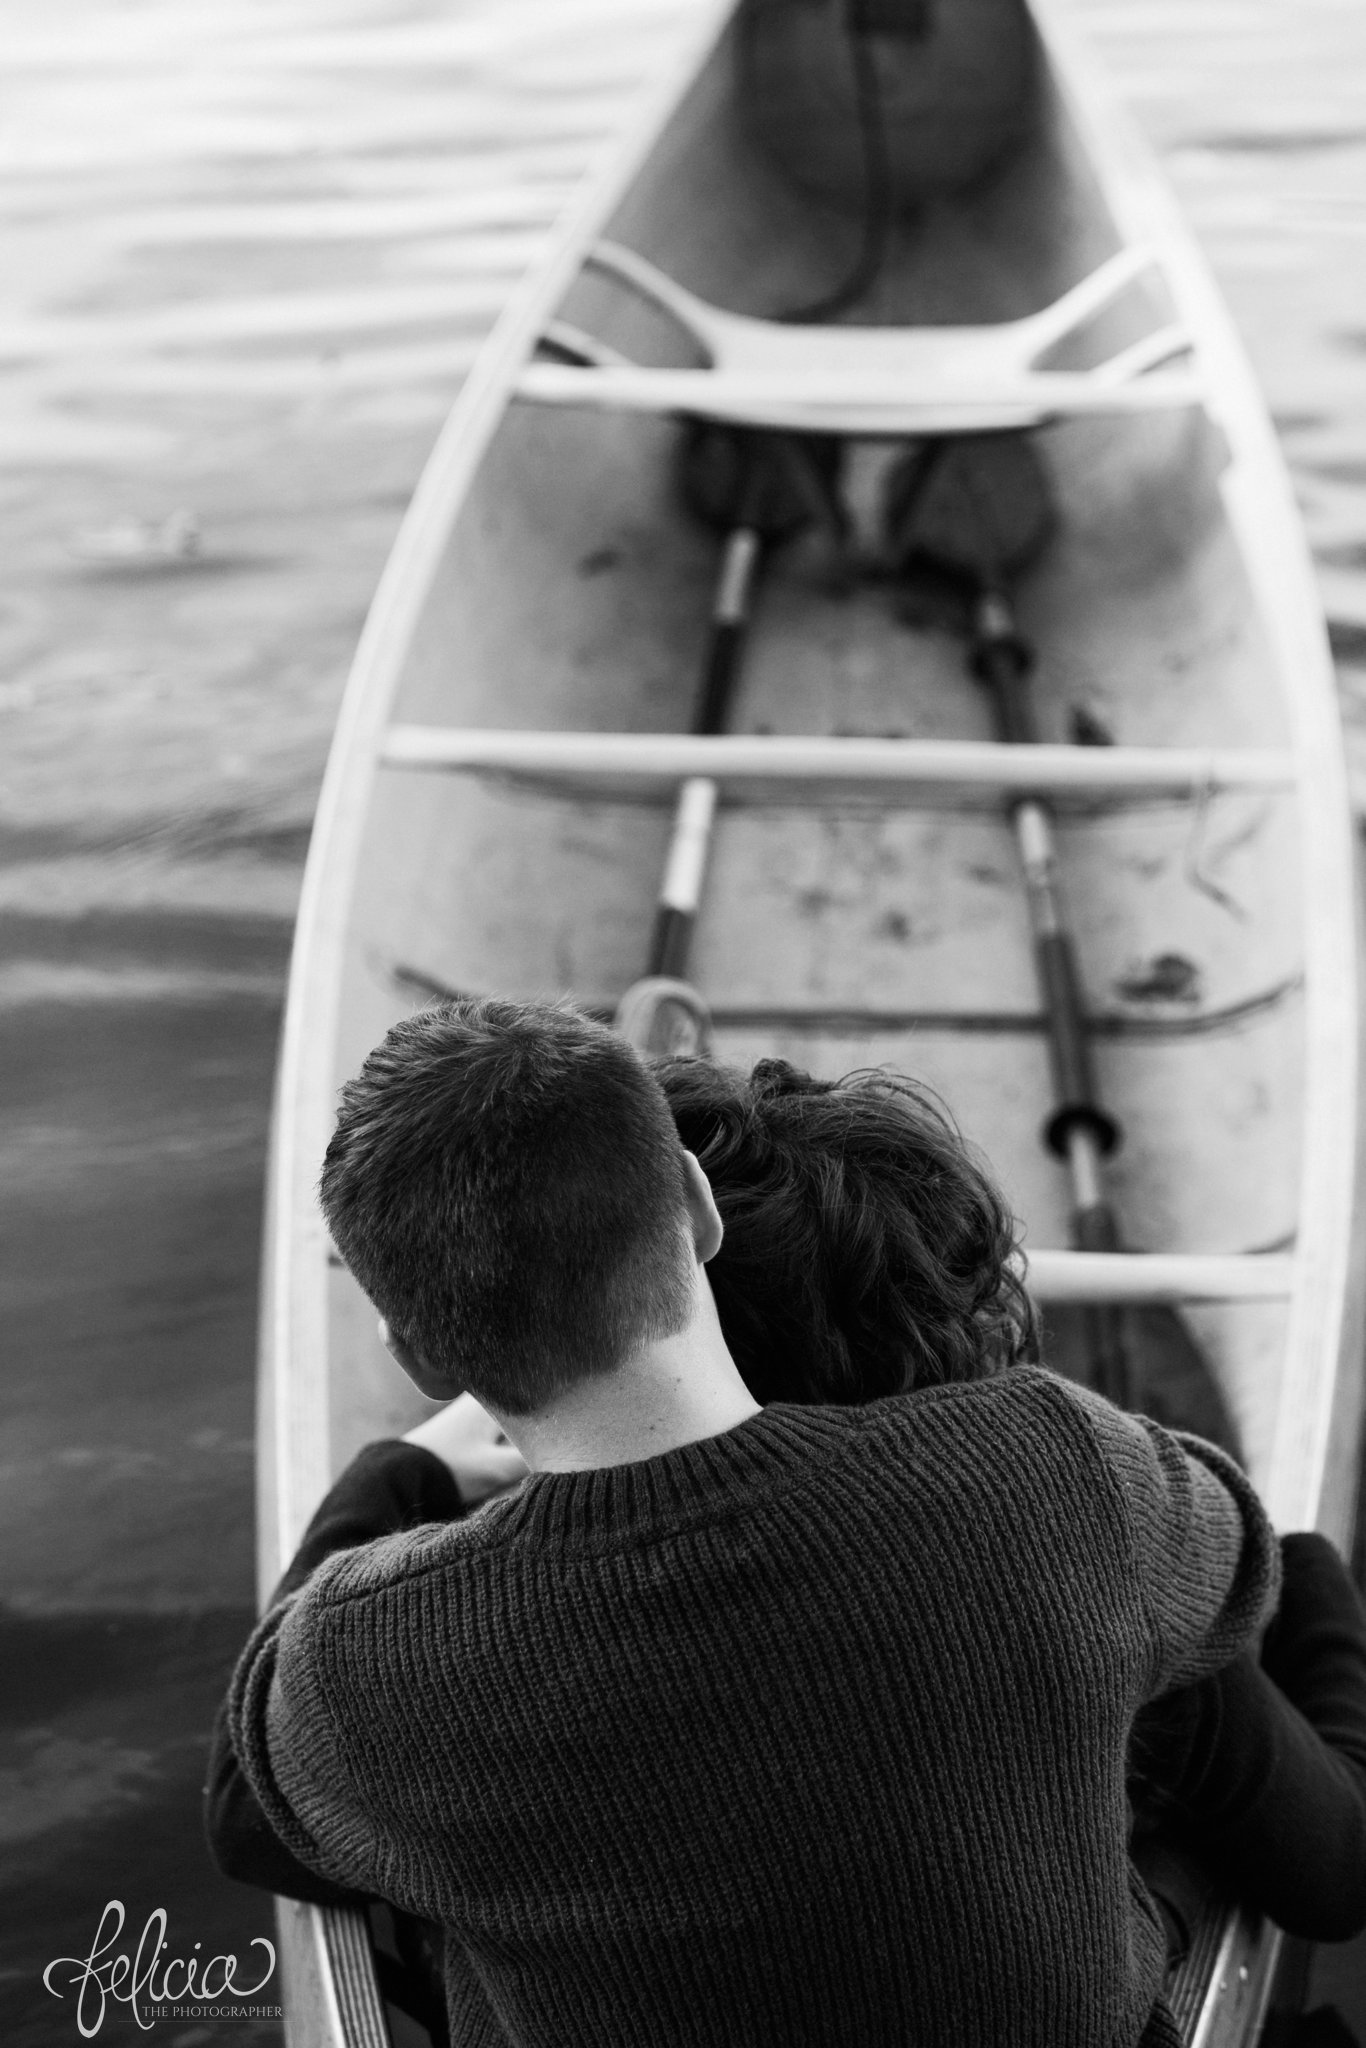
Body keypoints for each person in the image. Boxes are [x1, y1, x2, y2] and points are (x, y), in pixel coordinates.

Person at [208, 998, 1306, 2047]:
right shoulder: (1049, 1467)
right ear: (694, 1206)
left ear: (418, 1358)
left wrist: (395, 1469)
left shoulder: (363, 1666)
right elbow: (1251, 1559)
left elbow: (246, 1794)